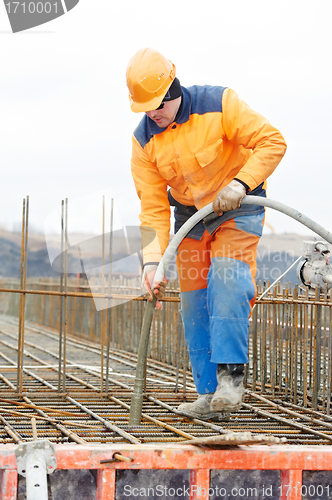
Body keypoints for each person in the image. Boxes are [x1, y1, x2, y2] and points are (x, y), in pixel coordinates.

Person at [126, 47, 286, 419]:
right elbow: (151, 207)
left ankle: (231, 380)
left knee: (227, 283)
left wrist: (242, 183)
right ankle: (208, 396)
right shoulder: (143, 141)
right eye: (145, 107)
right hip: (191, 221)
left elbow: (273, 141)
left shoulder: (220, 103)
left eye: (158, 105)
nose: (153, 113)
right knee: (194, 304)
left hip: (239, 208)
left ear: (173, 88)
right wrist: (153, 264)